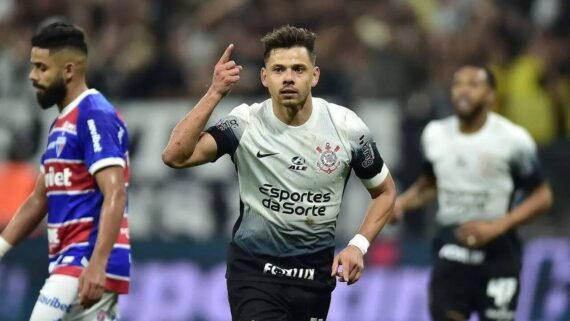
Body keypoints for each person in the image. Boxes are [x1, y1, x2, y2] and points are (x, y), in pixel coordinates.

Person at [162, 25, 396, 321]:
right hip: (254, 275)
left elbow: (385, 193)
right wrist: (214, 93)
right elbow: (175, 156)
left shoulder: (348, 129)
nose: (288, 77)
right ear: (264, 77)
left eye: (298, 69)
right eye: (279, 69)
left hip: (314, 280)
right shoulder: (244, 124)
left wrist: (357, 246)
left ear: (315, 76)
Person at [393, 65, 553, 321]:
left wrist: (498, 226)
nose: (463, 91)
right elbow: (430, 185)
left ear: (490, 95)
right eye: (458, 84)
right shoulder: (435, 134)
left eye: (473, 85)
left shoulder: (514, 140)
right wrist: (401, 203)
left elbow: (542, 196)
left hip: (498, 254)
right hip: (452, 249)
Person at [0, 22, 131, 320]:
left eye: (41, 68)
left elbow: (115, 191)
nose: (32, 76)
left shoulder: (94, 115)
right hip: (70, 262)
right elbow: (38, 199)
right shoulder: (61, 123)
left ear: (69, 70)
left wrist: (98, 263)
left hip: (84, 261)